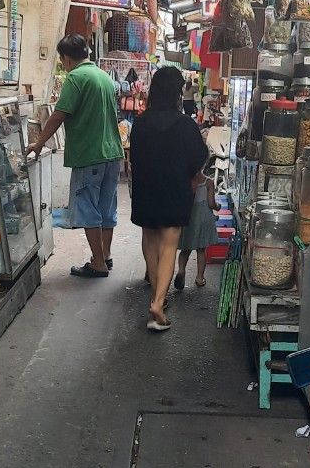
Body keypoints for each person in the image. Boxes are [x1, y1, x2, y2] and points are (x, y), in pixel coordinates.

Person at [26, 34, 124, 279]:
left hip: (89, 154)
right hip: (113, 153)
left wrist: (39, 143)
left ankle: (98, 263)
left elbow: (59, 114)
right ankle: (106, 256)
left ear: (66, 58)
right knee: (106, 208)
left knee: (88, 208)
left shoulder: (76, 77)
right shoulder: (104, 77)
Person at [129, 65, 208, 331]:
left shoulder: (140, 123)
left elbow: (134, 158)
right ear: (176, 92)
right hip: (175, 190)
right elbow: (198, 159)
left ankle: (157, 296)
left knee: (151, 241)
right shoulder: (185, 125)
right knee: (169, 244)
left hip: (146, 190)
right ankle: (158, 304)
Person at [174, 161, 220, 290]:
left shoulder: (185, 181)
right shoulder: (208, 182)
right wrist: (218, 207)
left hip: (188, 219)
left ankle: (181, 271)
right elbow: (211, 203)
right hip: (203, 219)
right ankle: (200, 278)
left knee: (185, 249)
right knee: (201, 250)